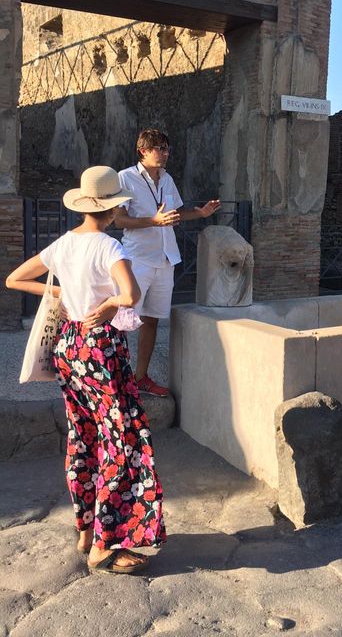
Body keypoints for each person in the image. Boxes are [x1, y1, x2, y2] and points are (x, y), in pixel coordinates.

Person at [6, 166, 166, 574]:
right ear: (113, 210)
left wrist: (62, 292)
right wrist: (110, 304)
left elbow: (14, 279)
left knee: (84, 436)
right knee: (121, 442)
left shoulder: (63, 244)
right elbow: (130, 295)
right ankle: (104, 544)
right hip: (101, 350)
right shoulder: (110, 249)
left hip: (69, 346)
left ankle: (85, 528)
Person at [115, 129, 220, 397]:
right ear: (143, 151)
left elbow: (175, 215)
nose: (164, 153)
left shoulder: (167, 179)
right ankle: (116, 380)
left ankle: (140, 378)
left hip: (165, 260)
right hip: (138, 258)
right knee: (123, 321)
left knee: (151, 320)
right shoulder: (125, 177)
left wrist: (200, 213)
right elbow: (120, 221)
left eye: (166, 148)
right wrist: (153, 221)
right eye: (159, 148)